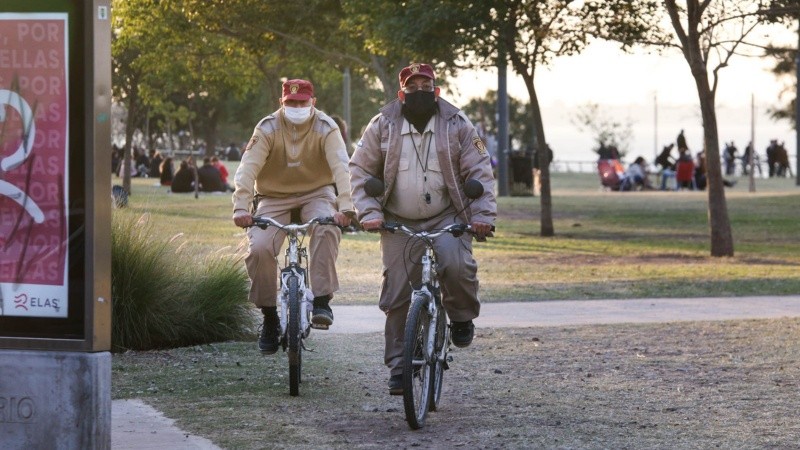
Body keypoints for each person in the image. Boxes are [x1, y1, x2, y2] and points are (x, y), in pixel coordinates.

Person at [349, 63, 496, 395]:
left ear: (437, 90)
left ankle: (460, 318)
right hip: (398, 220)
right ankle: (400, 367)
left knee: (456, 265)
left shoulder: (457, 123)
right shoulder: (382, 124)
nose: (419, 90)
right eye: (411, 86)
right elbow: (359, 170)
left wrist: (482, 215)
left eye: (425, 84)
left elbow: (480, 170)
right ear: (401, 93)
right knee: (397, 293)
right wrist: (369, 212)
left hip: (447, 215)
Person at [231, 78, 354, 355]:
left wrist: (346, 207)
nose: (297, 107)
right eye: (291, 103)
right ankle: (270, 318)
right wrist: (241, 206)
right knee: (260, 248)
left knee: (327, 226)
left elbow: (341, 167)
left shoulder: (326, 127)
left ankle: (322, 300)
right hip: (273, 197)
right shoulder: (267, 128)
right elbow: (247, 168)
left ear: (314, 102)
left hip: (317, 193)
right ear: (281, 103)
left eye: (302, 102)